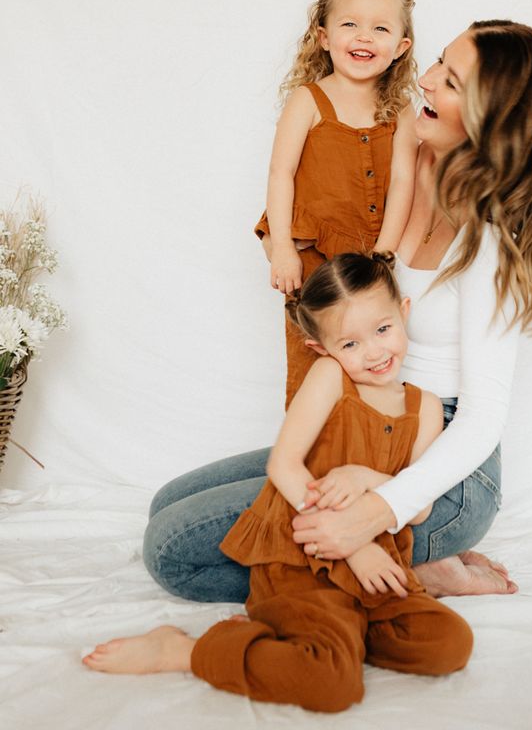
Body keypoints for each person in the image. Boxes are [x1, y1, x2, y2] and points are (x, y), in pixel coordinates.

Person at [142, 19, 532, 600]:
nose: (424, 81)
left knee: (170, 551)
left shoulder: (493, 242)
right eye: (437, 63)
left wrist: (380, 509)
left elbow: (484, 417)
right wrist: (281, 241)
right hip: (368, 426)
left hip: (445, 466)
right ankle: (418, 560)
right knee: (167, 503)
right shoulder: (418, 159)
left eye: (450, 81)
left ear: (492, 117)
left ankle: (414, 552)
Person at [83, 254, 473, 713]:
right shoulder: (330, 379)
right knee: (331, 686)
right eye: (350, 343)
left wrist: (364, 476)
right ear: (322, 348)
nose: (373, 352)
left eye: (383, 329)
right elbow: (284, 466)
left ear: (404, 312)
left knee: (451, 644)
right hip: (304, 562)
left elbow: (420, 507)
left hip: (380, 567)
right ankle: (185, 651)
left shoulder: (425, 407)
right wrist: (353, 546)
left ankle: (340, 634)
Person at [255, 0, 418, 407]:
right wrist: (285, 248)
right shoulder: (308, 99)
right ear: (323, 36)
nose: (364, 36)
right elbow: (280, 174)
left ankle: (361, 455)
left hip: (371, 259)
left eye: (380, 28)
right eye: (350, 24)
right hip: (313, 260)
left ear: (401, 47)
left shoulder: (401, 110)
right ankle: (306, 454)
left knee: (372, 362)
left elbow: (404, 181)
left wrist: (384, 253)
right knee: (314, 361)